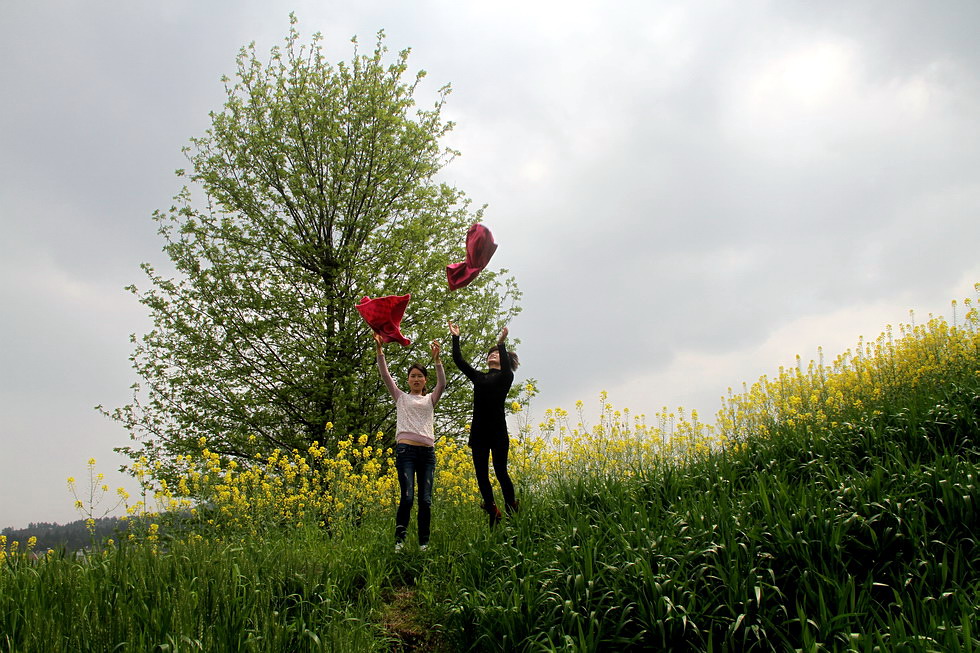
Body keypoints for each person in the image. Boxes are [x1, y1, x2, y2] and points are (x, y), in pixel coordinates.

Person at [375, 333, 445, 550]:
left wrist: (437, 360)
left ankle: (424, 543)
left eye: (420, 376)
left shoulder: (430, 399)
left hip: (427, 454)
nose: (416, 379)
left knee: (425, 500)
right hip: (406, 451)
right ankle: (400, 541)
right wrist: (379, 351)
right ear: (408, 380)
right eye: (412, 376)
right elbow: (385, 375)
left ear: (425, 380)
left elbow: (442, 383)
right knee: (407, 497)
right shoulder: (401, 397)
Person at [448, 321, 520, 526]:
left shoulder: (506, 376)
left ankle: (511, 509)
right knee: (481, 474)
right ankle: (492, 510)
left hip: (498, 431)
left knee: (500, 471)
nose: (491, 355)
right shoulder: (479, 377)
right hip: (479, 431)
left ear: (504, 359)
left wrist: (501, 343)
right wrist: (455, 337)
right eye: (490, 354)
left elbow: (506, 369)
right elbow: (459, 361)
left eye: (496, 354)